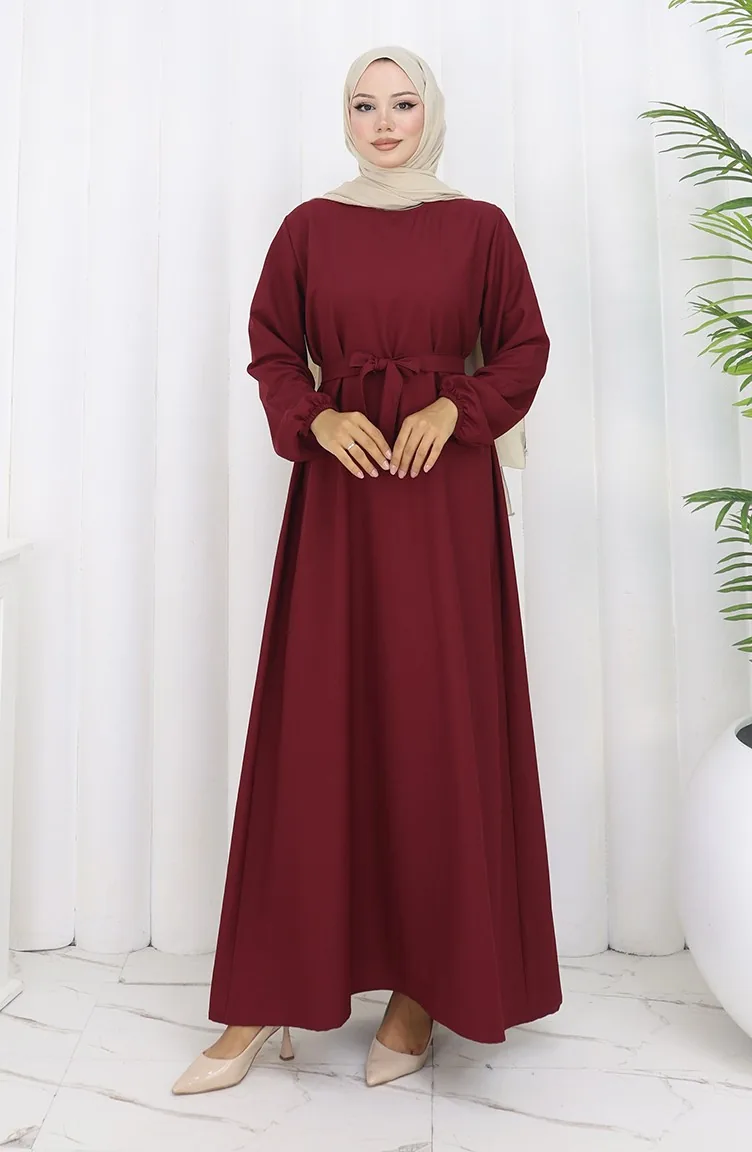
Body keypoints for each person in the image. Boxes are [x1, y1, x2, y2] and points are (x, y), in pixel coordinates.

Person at [171, 43, 561, 1097]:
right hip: (343, 499)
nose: (383, 123)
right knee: (318, 728)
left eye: (401, 104)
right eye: (363, 105)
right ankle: (267, 996)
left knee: (435, 728)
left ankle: (421, 993)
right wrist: (316, 417)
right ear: (343, 119)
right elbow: (269, 347)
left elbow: (522, 348)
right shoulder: (308, 227)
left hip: (442, 503)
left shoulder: (479, 227)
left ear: (428, 112)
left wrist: (455, 407)